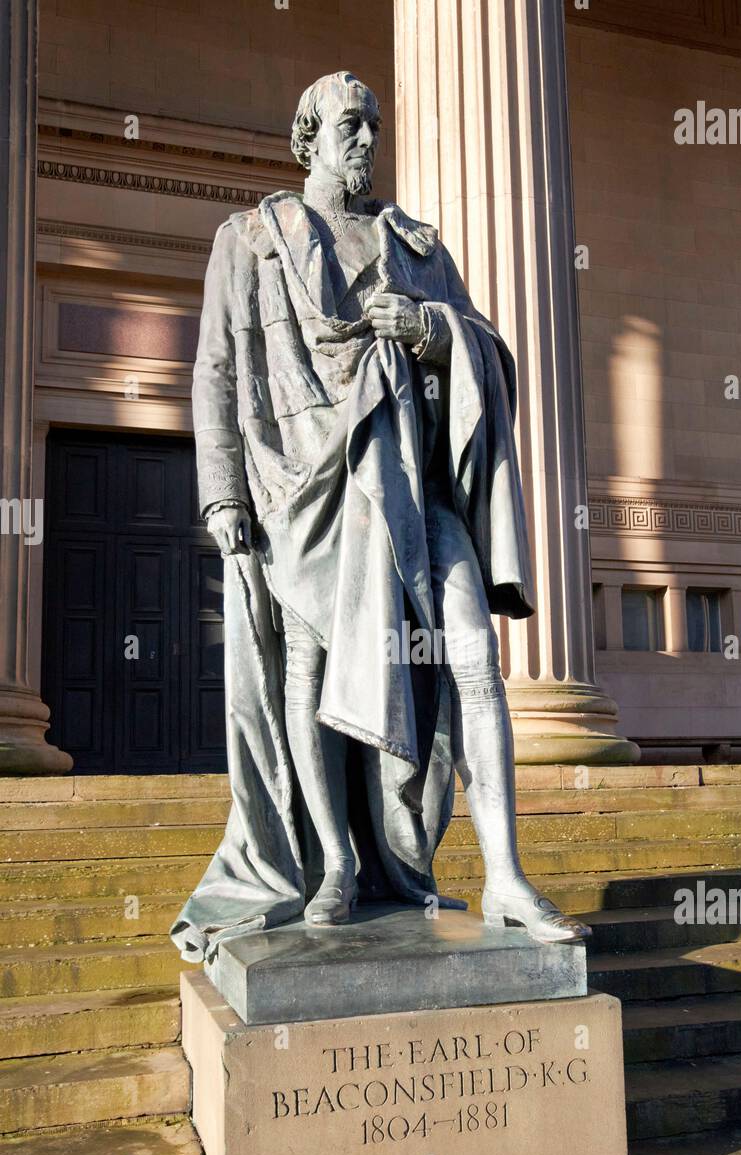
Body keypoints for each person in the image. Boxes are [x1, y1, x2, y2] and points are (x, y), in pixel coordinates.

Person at [170, 71, 589, 963]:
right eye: (351, 125)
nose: (368, 140)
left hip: (410, 485)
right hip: (301, 490)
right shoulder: (251, 241)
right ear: (309, 135)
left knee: (474, 657)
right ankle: (330, 862)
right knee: (309, 678)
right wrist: (224, 497)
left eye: (375, 126)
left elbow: (490, 353)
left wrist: (434, 331)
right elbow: (213, 373)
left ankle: (506, 875)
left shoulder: (418, 249)